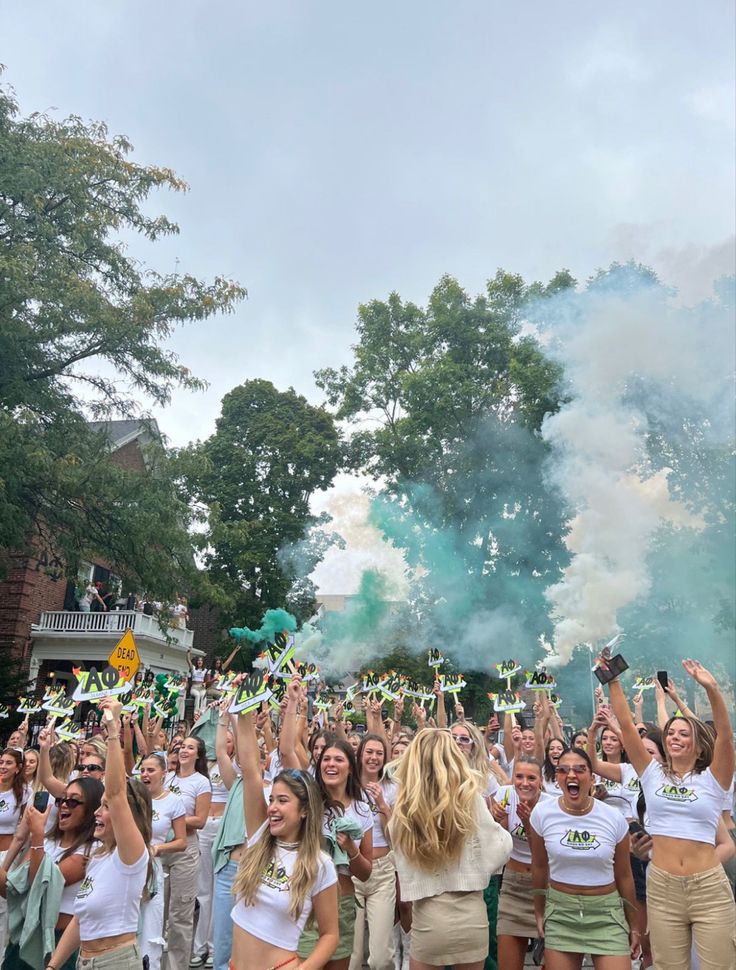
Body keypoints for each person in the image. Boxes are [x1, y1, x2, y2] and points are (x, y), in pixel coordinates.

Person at [606, 657, 736, 970]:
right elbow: (626, 724)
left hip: (707, 886)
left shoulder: (713, 778)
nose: (675, 737)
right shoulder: (651, 774)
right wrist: (612, 679)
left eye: (683, 733)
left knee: (720, 965)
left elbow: (725, 737)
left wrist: (712, 689)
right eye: (671, 733)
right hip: (662, 887)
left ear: (698, 745)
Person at [389, 729, 512, 970]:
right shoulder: (470, 798)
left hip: (428, 916)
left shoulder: (405, 806)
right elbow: (499, 850)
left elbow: (398, 853)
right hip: (471, 914)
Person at [230, 698, 339, 970]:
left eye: (282, 801)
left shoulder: (320, 864)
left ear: (304, 810)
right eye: (272, 800)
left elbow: (330, 935)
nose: (273, 808)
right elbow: (250, 769)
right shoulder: (260, 837)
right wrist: (245, 708)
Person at [47, 697, 152, 970]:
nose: (96, 812)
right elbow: (81, 920)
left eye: (104, 807)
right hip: (85, 961)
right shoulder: (99, 857)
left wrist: (114, 728)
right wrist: (53, 966)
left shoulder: (131, 856)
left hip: (115, 962)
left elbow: (116, 793)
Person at [527, 747, 638, 970]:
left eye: (579, 769)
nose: (571, 775)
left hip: (606, 913)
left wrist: (633, 925)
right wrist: (539, 912)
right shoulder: (541, 814)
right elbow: (539, 867)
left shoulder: (613, 817)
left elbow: (625, 875)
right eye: (563, 770)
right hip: (561, 912)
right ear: (556, 777)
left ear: (592, 777)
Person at [8, 776, 104, 970]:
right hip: (27, 935)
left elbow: (40, 884)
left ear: (92, 808)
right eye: (61, 800)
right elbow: (17, 886)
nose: (64, 806)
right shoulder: (48, 842)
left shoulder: (92, 850)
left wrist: (36, 835)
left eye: (73, 801)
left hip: (59, 944)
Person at [490, 756, 549, 970]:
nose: (525, 783)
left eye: (531, 778)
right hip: (513, 884)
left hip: (545, 888)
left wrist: (529, 823)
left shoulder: (549, 805)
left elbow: (543, 855)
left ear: (540, 780)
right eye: (519, 777)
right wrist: (497, 820)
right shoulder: (504, 795)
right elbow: (499, 844)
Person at [162, 735, 211, 970]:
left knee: (180, 914)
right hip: (162, 848)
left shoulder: (201, 782)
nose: (184, 750)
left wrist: (173, 820)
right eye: (182, 746)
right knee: (156, 910)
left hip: (186, 849)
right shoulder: (167, 778)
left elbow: (200, 820)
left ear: (198, 755)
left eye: (190, 747)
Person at [349, 733, 397, 970]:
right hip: (353, 869)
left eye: (379, 753)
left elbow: (394, 836)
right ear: (360, 755)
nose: (374, 758)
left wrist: (382, 805)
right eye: (369, 752)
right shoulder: (348, 785)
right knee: (353, 954)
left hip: (383, 871)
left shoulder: (392, 788)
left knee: (381, 957)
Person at [139, 753, 187, 970]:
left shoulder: (174, 801)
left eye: (151, 770)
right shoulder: (134, 798)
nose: (145, 775)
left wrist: (157, 849)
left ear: (163, 773)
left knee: (151, 924)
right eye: (143, 770)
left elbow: (181, 842)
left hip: (153, 867)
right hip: (129, 864)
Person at [0, 747, 28, 954]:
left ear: (18, 768)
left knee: (3, 908)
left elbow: (24, 831)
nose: (3, 766)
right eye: (1, 762)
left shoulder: (24, 793)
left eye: (9, 763)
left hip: (6, 855)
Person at [187, 652, 208, 716]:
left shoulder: (205, 670)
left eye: (201, 660)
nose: (200, 662)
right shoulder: (193, 668)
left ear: (203, 662)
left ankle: (202, 712)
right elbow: (188, 660)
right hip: (194, 687)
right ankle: (196, 713)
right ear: (196, 662)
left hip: (201, 687)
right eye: (198, 660)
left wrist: (205, 683)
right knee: (197, 695)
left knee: (203, 696)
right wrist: (188, 652)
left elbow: (207, 680)